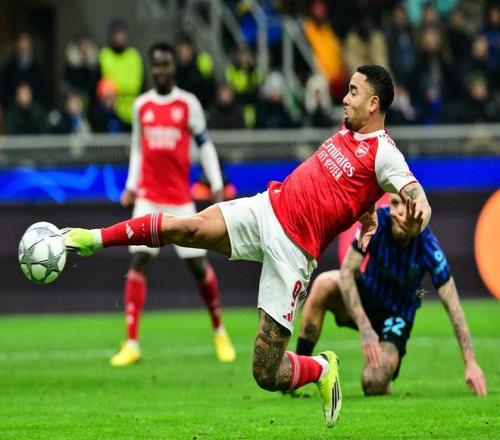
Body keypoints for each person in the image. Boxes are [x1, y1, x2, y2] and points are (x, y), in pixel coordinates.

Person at [63, 65, 432, 427]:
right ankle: (94, 238)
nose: (345, 99)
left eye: (353, 92)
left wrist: (419, 216)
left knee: (265, 372)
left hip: (293, 253)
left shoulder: (385, 153)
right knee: (188, 227)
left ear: (374, 103)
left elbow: (416, 195)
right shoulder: (348, 129)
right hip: (267, 208)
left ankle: (321, 368)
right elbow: (351, 185)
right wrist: (366, 214)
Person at [105, 42, 236, 367]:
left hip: (179, 200)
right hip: (148, 197)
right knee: (139, 262)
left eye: (166, 64)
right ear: (152, 69)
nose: (161, 70)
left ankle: (219, 331)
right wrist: (131, 186)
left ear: (174, 68)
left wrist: (216, 183)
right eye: (157, 64)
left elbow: (205, 145)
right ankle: (131, 343)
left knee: (198, 266)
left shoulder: (188, 104)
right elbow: (137, 149)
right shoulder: (142, 106)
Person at [295, 194, 487, 397]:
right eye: (395, 203)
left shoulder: (428, 245)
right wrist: (365, 328)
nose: (400, 211)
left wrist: (471, 363)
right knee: (324, 283)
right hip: (367, 298)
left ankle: (386, 373)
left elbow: (453, 305)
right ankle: (298, 373)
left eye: (407, 204)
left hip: (397, 316)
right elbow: (346, 272)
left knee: (373, 383)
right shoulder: (376, 221)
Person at [98, 19, 144, 129]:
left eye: (122, 34)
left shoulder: (134, 55)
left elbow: (143, 83)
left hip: (135, 110)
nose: (120, 37)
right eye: (117, 34)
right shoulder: (104, 55)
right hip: (112, 112)